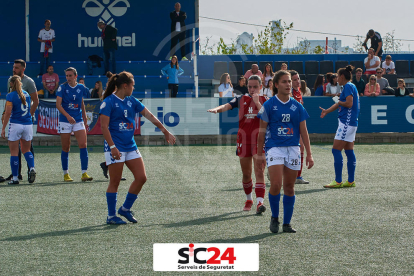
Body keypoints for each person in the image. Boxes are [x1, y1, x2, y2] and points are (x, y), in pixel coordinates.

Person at [99, 71, 176, 224]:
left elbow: (150, 115)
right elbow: (103, 127)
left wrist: (165, 131)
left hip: (130, 145)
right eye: (132, 85)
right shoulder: (108, 102)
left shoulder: (131, 100)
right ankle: (111, 216)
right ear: (125, 86)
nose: (134, 88)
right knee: (114, 182)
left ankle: (125, 209)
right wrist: (113, 147)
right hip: (115, 147)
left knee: (141, 178)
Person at [257, 70, 314, 233]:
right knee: (276, 184)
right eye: (284, 82)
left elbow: (304, 131)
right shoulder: (268, 105)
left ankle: (287, 224)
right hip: (274, 147)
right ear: (276, 85)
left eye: (289, 81)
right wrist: (260, 154)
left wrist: (309, 154)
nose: (288, 84)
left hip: (293, 149)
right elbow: (261, 131)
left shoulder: (298, 106)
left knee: (289, 187)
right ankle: (274, 217)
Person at [208, 75, 267, 214]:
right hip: (243, 140)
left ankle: (260, 203)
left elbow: (267, 116)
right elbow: (227, 105)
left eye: (255, 87)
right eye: (250, 87)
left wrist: (257, 103)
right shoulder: (241, 99)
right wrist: (217, 109)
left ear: (260, 87)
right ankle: (249, 199)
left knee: (259, 170)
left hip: (259, 140)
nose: (252, 89)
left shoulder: (266, 100)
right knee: (246, 173)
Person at [319, 65, 360, 188]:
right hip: (351, 123)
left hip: (346, 123)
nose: (336, 78)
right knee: (349, 151)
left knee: (336, 150)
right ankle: (351, 181)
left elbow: (348, 103)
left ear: (342, 76)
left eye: (337, 76)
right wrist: (327, 111)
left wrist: (338, 101)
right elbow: (340, 104)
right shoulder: (350, 86)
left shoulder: (347, 86)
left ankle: (338, 181)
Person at [56, 67, 93, 182]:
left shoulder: (81, 87)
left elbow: (81, 101)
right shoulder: (62, 87)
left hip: (78, 119)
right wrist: (67, 116)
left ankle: (84, 173)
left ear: (75, 76)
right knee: (66, 147)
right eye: (66, 76)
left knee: (83, 144)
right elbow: (58, 105)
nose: (68, 78)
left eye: (70, 76)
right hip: (65, 120)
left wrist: (84, 116)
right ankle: (66, 174)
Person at [4, 59, 38, 181]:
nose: (14, 70)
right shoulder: (11, 80)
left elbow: (36, 101)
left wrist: (29, 114)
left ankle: (27, 171)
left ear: (23, 69)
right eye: (13, 67)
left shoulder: (29, 81)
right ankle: (18, 172)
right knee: (24, 148)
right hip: (25, 122)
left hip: (21, 120)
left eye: (17, 68)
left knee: (22, 147)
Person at [290, 70, 310, 185]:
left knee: (300, 148)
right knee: (297, 148)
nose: (298, 81)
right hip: (290, 125)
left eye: (298, 79)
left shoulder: (298, 92)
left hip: (297, 125)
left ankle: (298, 175)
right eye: (295, 79)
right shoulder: (290, 93)